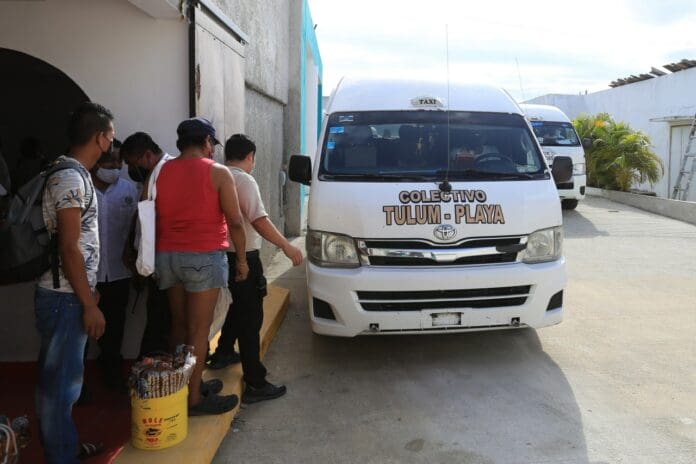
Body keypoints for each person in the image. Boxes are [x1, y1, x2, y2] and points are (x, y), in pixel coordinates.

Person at [35, 102, 113, 463]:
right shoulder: (69, 177)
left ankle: (63, 448)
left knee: (63, 383)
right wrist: (89, 304)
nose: (112, 140)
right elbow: (69, 247)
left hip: (70, 294)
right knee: (60, 389)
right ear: (101, 137)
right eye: (110, 134)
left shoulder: (72, 173)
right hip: (65, 298)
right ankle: (61, 456)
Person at [155, 117, 248, 415]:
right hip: (203, 256)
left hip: (167, 255)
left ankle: (180, 387)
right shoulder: (218, 173)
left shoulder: (162, 170)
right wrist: (243, 260)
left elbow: (149, 213)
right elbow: (235, 221)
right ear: (207, 141)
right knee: (199, 330)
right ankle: (193, 399)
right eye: (211, 145)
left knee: (179, 325)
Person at [208, 134, 303, 404]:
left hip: (217, 256)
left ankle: (224, 351)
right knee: (251, 319)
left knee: (236, 307)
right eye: (253, 160)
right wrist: (286, 245)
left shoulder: (215, 175)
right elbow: (258, 220)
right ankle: (255, 382)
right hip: (244, 257)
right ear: (250, 156)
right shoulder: (243, 179)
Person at [120, 132, 174, 357]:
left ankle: (161, 382)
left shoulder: (168, 172)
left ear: (148, 155)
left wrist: (145, 266)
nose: (132, 169)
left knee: (163, 326)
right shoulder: (153, 175)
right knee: (158, 323)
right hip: (156, 266)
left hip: (165, 264)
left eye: (134, 163)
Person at [91, 139, 138, 391]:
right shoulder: (84, 189)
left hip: (119, 273)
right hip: (88, 275)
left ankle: (111, 372)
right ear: (96, 162)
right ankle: (80, 383)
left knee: (116, 326)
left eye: (119, 161)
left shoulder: (129, 190)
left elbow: (136, 230)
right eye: (110, 161)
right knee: (82, 330)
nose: (116, 166)